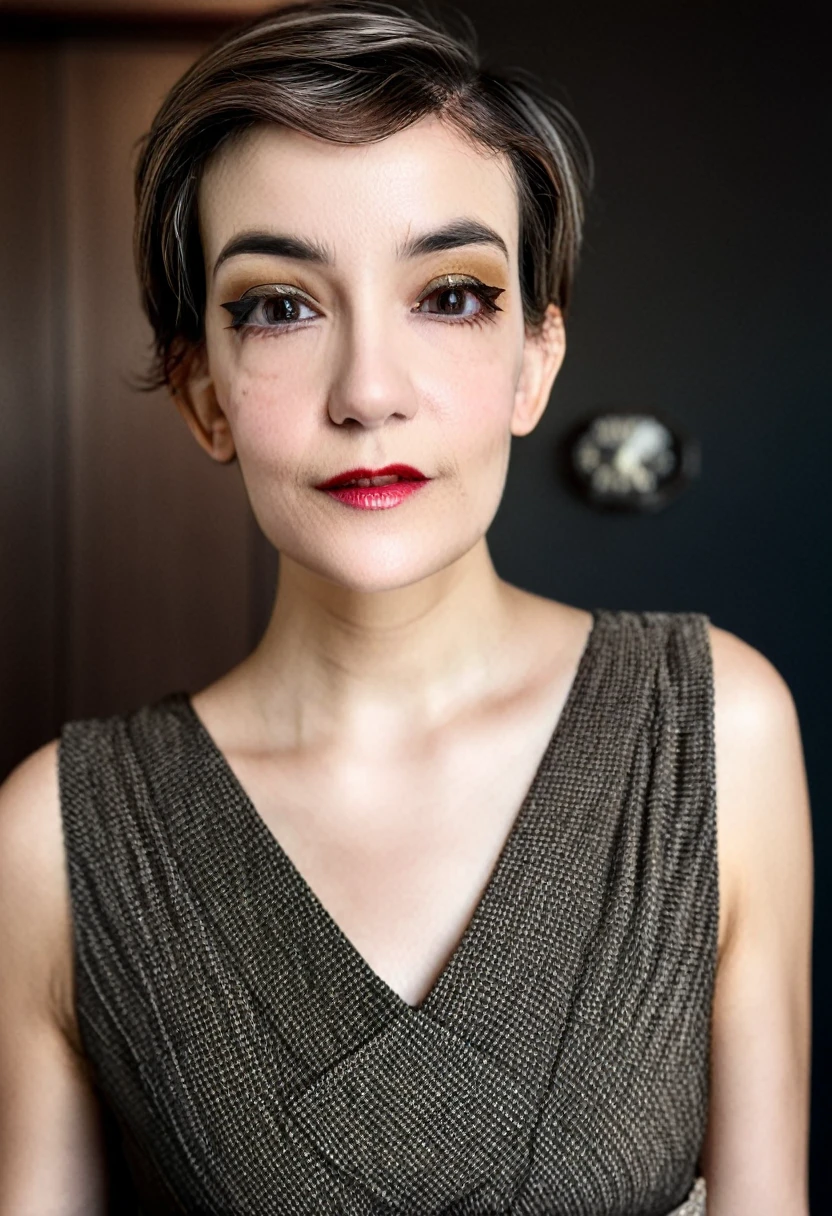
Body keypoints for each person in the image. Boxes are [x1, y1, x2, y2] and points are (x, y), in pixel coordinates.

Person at [0, 2, 813, 1213]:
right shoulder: (54, 839)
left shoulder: (714, 726)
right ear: (202, 394)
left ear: (535, 358)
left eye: (449, 295)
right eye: (279, 304)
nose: (368, 392)